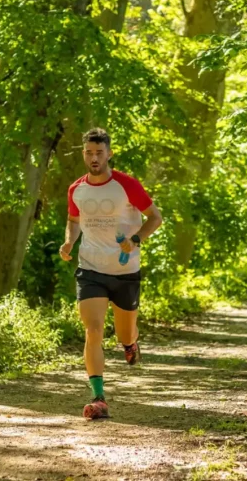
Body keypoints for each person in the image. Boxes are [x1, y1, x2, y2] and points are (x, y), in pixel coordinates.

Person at [59, 127, 163, 420]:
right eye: (89, 153)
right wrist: (69, 241)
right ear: (83, 154)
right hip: (90, 268)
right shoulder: (76, 189)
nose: (94, 158)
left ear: (109, 154)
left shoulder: (126, 185)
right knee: (93, 329)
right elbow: (74, 220)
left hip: (125, 271)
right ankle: (98, 398)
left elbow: (155, 218)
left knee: (124, 332)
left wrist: (136, 239)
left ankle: (130, 343)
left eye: (99, 153)